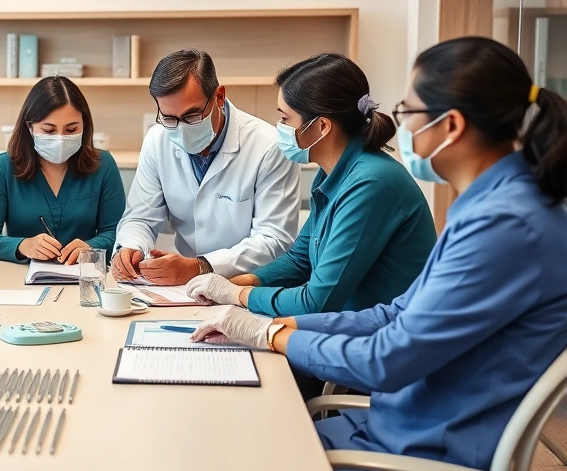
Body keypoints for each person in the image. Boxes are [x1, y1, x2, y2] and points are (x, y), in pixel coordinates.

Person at [191, 37, 567, 471]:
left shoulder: (506, 226)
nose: (399, 125)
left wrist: (267, 330)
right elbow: (396, 313)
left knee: (233, 453)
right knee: (235, 433)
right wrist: (271, 323)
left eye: (410, 113)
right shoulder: (490, 207)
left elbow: (386, 360)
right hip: (396, 423)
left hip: (421, 451)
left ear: (451, 126)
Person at [185, 54, 436, 317]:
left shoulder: (371, 184)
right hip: (348, 328)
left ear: (322, 126)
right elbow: (300, 259)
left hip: (383, 338)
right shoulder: (332, 173)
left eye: (284, 119)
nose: (279, 128)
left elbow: (317, 301)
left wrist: (237, 296)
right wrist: (244, 282)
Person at [112, 49, 300, 286]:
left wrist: (200, 267)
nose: (180, 129)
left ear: (219, 97)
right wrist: (131, 246)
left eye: (192, 115)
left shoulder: (269, 147)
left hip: (247, 284)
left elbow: (275, 239)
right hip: (181, 287)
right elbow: (141, 218)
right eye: (169, 118)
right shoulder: (157, 140)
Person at [0, 76, 126, 263]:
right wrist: (22, 246)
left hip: (85, 276)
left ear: (84, 125)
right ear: (30, 127)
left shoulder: (103, 165)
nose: (60, 139)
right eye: (49, 131)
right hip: (22, 280)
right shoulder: (4, 167)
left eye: (71, 130)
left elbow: (118, 233)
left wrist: (92, 247)